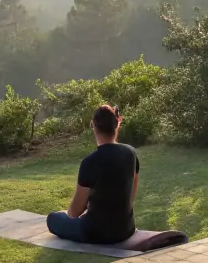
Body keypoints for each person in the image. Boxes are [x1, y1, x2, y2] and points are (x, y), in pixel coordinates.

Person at [47, 104, 140, 244]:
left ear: (94, 126)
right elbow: (131, 191)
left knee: (53, 218)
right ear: (117, 124)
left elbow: (75, 212)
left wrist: (70, 214)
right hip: (126, 229)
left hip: (96, 233)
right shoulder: (131, 153)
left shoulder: (90, 162)